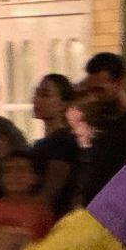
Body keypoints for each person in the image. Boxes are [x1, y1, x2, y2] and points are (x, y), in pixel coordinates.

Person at [66, 91, 126, 206]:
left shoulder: (108, 152)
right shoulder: (78, 153)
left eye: (80, 122)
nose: (74, 131)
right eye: (71, 125)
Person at [27, 74, 82, 215]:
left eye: (45, 95)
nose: (37, 100)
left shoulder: (65, 142)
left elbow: (51, 189)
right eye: (36, 94)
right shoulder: (41, 143)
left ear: (64, 104)